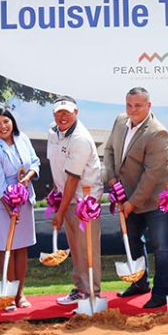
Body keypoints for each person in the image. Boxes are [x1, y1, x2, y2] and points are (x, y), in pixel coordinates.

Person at [103, 87, 168, 309]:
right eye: (129, 105)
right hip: (125, 194)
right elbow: (109, 151)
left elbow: (151, 175)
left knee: (161, 246)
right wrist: (112, 180)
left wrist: (132, 203)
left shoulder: (158, 132)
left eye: (138, 105)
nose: (133, 110)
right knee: (133, 240)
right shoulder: (119, 121)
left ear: (149, 106)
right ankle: (139, 283)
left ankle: (161, 292)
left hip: (155, 197)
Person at [46, 96, 105, 305]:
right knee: (77, 249)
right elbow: (57, 167)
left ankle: (93, 295)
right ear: (54, 114)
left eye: (67, 112)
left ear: (76, 112)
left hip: (84, 201)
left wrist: (59, 213)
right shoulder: (53, 132)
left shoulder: (80, 138)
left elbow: (73, 178)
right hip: (67, 198)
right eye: (59, 112)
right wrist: (56, 193)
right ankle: (82, 290)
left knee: (87, 248)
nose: (62, 116)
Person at [0, 107, 39, 310]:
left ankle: (20, 295)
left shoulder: (22, 138)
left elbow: (35, 161)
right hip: (2, 205)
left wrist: (28, 177)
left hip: (24, 200)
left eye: (6, 121)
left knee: (22, 248)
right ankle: (7, 294)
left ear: (12, 122)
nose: (3, 126)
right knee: (7, 249)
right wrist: (10, 208)